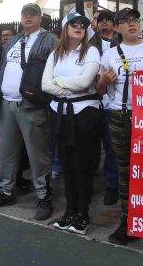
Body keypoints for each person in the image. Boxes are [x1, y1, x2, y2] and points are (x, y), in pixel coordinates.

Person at [97, 7, 143, 245]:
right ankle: (129, 221)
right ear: (117, 28)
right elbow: (99, 89)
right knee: (126, 171)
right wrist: (104, 81)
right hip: (120, 116)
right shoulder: (109, 54)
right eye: (125, 21)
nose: (131, 24)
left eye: (135, 20)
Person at [0, 3, 57, 220]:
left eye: (32, 14)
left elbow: (55, 69)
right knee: (6, 151)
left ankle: (44, 196)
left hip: (32, 105)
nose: (27, 17)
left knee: (38, 154)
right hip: (7, 103)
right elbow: (2, 70)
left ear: (40, 17)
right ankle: (6, 191)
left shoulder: (49, 40)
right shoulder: (15, 40)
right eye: (24, 14)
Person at [42, 12, 102, 235]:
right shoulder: (56, 53)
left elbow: (86, 82)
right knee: (67, 165)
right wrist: (69, 88)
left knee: (82, 166)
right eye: (74, 24)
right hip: (60, 114)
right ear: (65, 28)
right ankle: (70, 211)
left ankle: (82, 214)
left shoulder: (91, 51)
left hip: (84, 114)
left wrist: (59, 83)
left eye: (83, 25)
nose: (79, 28)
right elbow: (45, 85)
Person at [75, 0, 119, 205]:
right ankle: (89, 183)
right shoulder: (90, 44)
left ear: (114, 25)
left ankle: (112, 185)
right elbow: (80, 18)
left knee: (112, 147)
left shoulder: (122, 43)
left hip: (115, 105)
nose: (103, 24)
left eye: (108, 21)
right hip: (92, 101)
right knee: (90, 145)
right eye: (100, 21)